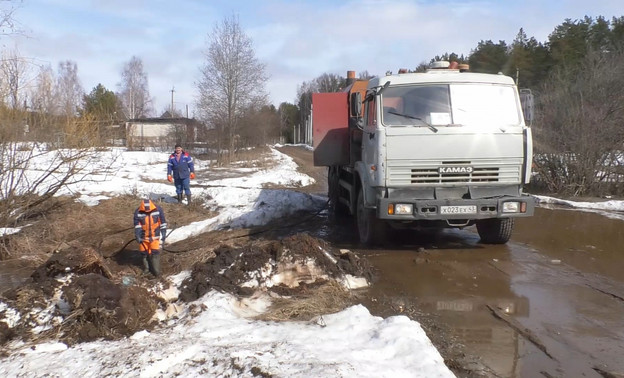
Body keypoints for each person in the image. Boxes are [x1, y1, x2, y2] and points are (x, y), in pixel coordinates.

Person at [134, 199, 167, 276]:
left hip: (155, 237)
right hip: (143, 238)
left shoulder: (158, 210)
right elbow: (137, 225)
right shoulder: (138, 212)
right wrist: (138, 235)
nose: (147, 212)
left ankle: (157, 272)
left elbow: (163, 223)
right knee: (144, 253)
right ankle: (147, 269)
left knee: (155, 252)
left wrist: (163, 233)